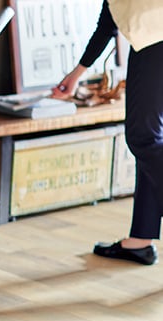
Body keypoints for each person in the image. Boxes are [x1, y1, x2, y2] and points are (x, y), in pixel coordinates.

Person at [53, 1, 163, 265]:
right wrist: (78, 73)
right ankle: (140, 239)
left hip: (155, 43)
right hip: (153, 40)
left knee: (144, 139)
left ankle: (140, 240)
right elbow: (109, 20)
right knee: (151, 141)